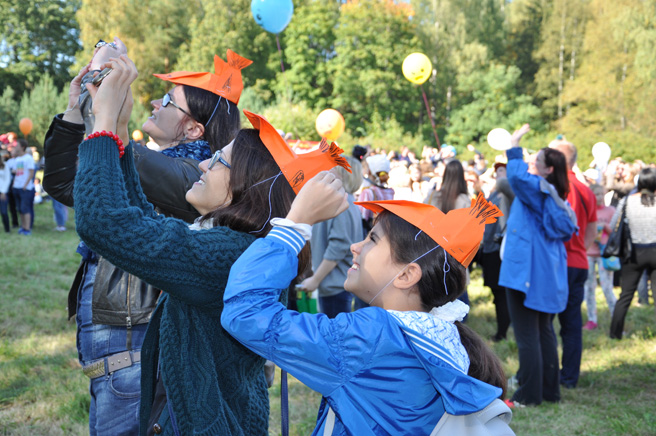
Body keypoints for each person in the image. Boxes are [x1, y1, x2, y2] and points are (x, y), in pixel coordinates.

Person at [73, 53, 348, 436]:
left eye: (219, 161)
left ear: (245, 189)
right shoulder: (235, 245)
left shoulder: (226, 256)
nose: (204, 165)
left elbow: (106, 223)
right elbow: (142, 224)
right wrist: (118, 121)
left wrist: (101, 124)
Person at [43, 41, 250, 435]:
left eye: (168, 101)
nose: (155, 104)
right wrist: (78, 109)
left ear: (193, 127)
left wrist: (108, 116)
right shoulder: (170, 168)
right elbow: (63, 182)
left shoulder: (197, 179)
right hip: (110, 339)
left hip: (135, 342)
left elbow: (118, 194)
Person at [223, 184, 511, 435]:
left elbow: (245, 312)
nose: (355, 247)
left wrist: (294, 225)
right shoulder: (443, 335)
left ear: (407, 275)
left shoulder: (370, 337)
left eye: (372, 239)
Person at [498, 124, 577, 406]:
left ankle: (529, 396)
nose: (531, 164)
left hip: (525, 273)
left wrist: (515, 144)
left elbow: (516, 177)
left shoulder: (537, 189)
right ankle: (549, 391)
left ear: (548, 170)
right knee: (544, 333)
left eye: (537, 162)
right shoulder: (555, 194)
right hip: (546, 273)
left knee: (527, 336)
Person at [552, 140, 597, 389]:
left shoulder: (555, 187)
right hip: (579, 262)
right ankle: (569, 377)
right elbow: (592, 228)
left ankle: (545, 374)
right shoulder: (585, 189)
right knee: (571, 324)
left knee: (544, 323)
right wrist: (580, 248)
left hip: (558, 264)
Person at [299, 156, 363, 318]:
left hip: (334, 286)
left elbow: (338, 247)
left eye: (333, 168)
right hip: (336, 284)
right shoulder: (347, 201)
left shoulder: (342, 203)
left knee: (334, 338)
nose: (328, 171)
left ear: (343, 175)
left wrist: (316, 279)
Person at [610, 168, 656, 339]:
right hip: (655, 249)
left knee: (625, 296)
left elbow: (614, 223)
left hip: (634, 252)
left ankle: (615, 333)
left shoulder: (628, 201)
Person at [480, 162, 513, 342]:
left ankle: (503, 330)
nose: (499, 173)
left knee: (502, 293)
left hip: (502, 248)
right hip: (491, 248)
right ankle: (504, 326)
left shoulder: (511, 195)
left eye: (503, 170)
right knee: (497, 292)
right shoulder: (493, 194)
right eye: (497, 170)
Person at [583, 184, 617, 330]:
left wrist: (605, 228)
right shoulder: (586, 211)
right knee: (589, 287)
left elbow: (616, 232)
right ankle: (592, 318)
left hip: (605, 254)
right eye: (595, 194)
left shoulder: (610, 211)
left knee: (607, 287)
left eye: (601, 194)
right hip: (589, 253)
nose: (599, 197)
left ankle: (616, 318)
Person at [9, 139, 35, 235]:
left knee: (25, 208)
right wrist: (13, 184)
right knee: (20, 208)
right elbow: (16, 173)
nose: (16, 147)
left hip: (25, 188)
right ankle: (23, 227)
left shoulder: (28, 158)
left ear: (22, 147)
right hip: (17, 187)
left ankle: (27, 229)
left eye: (17, 145)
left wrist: (25, 185)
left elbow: (31, 172)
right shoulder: (17, 159)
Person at [0, 150, 11, 233]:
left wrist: (3, 191)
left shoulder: (5, 166)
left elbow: (7, 179)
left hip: (2, 192)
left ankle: (7, 229)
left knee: (4, 211)